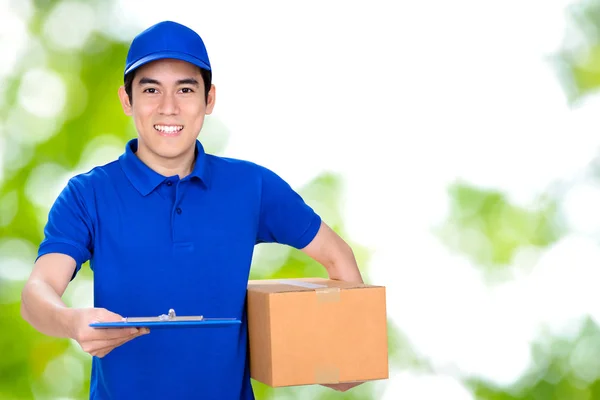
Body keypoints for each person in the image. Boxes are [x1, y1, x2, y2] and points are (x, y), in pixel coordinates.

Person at [20, 20, 364, 399]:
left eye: (185, 89)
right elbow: (38, 292)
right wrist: (72, 322)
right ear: (127, 100)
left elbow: (337, 256)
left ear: (209, 99)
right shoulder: (88, 195)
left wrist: (350, 356)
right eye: (151, 90)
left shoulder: (252, 187)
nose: (169, 108)